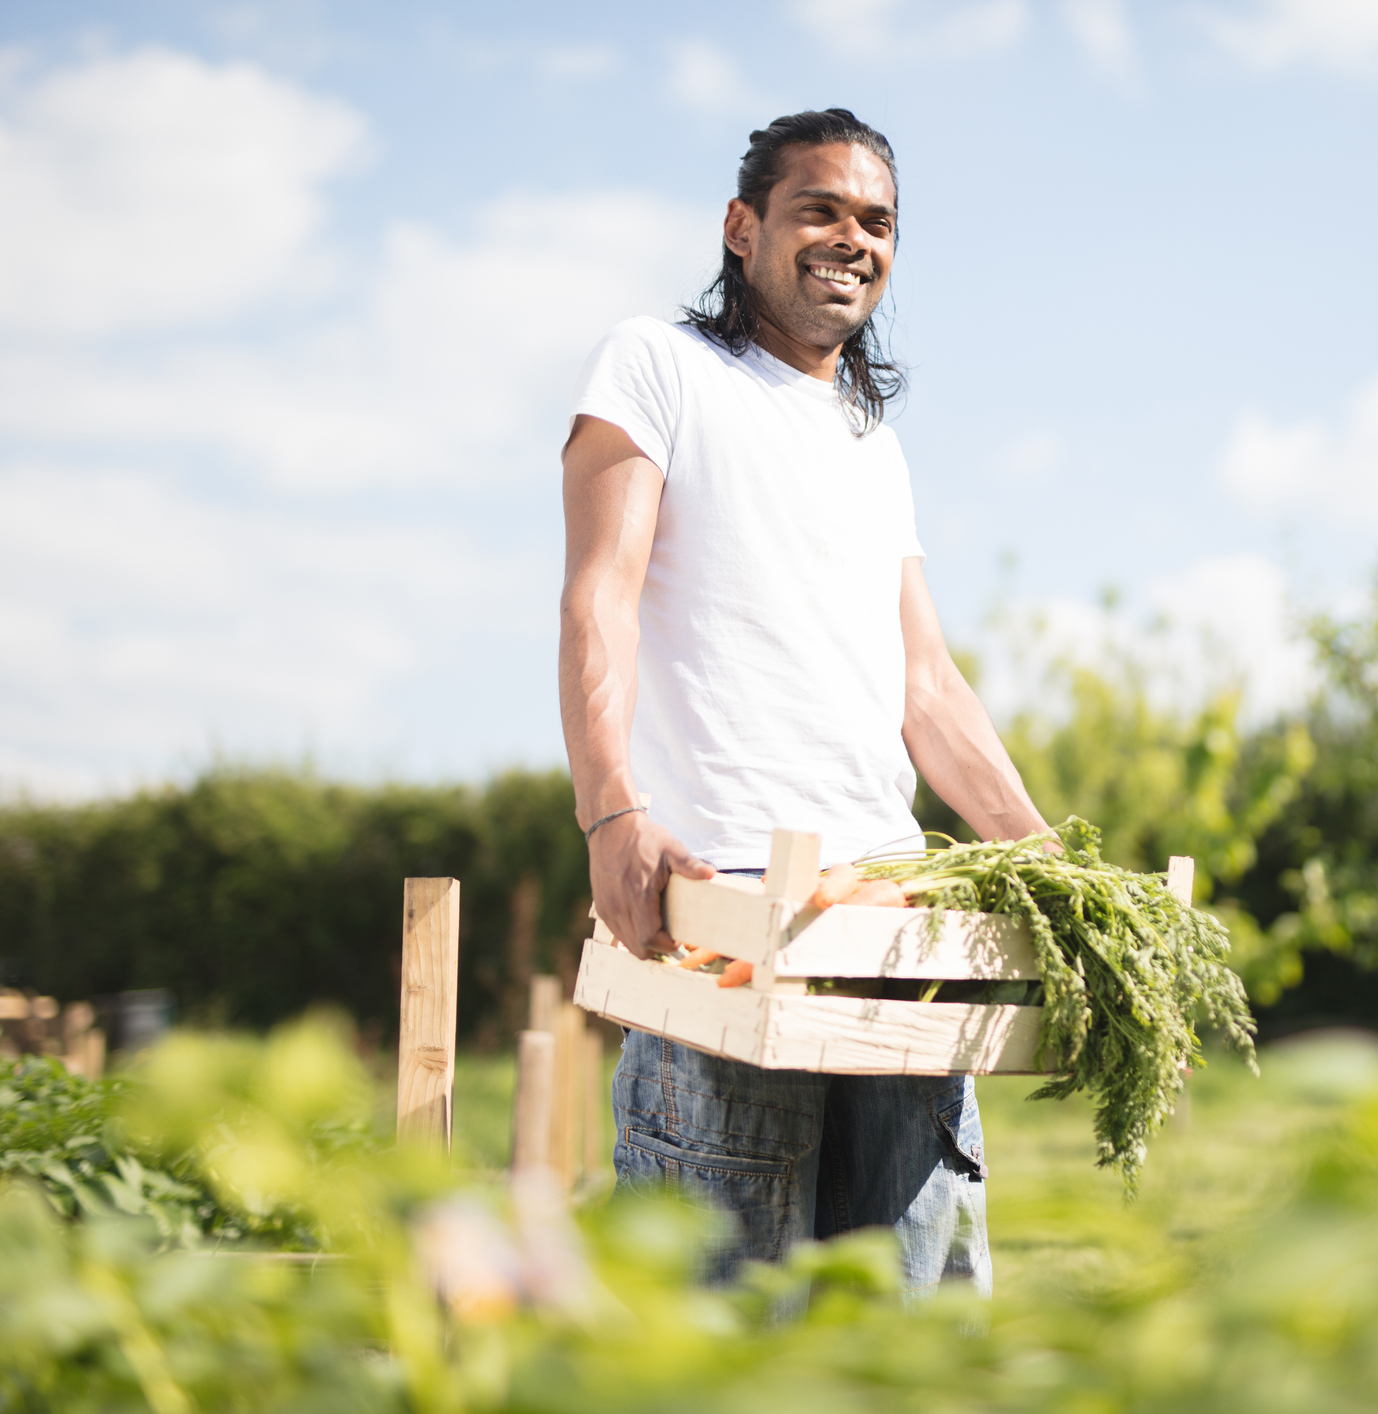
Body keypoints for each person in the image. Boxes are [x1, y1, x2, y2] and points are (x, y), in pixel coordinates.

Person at [556, 109, 1050, 1294]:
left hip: (892, 931)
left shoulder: (871, 443)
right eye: (818, 208)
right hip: (722, 916)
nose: (851, 238)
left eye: (875, 220)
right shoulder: (658, 365)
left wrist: (1052, 865)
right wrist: (610, 809)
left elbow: (924, 686)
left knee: (911, 1338)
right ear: (743, 227)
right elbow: (600, 600)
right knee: (723, 1337)